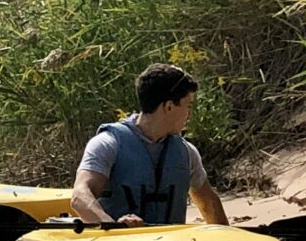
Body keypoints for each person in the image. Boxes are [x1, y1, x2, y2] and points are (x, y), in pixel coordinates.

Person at [71, 63, 229, 227]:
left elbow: (208, 203)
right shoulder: (107, 144)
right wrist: (112, 227)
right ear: (168, 106)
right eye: (188, 106)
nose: (190, 114)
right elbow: (80, 197)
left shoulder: (187, 152)